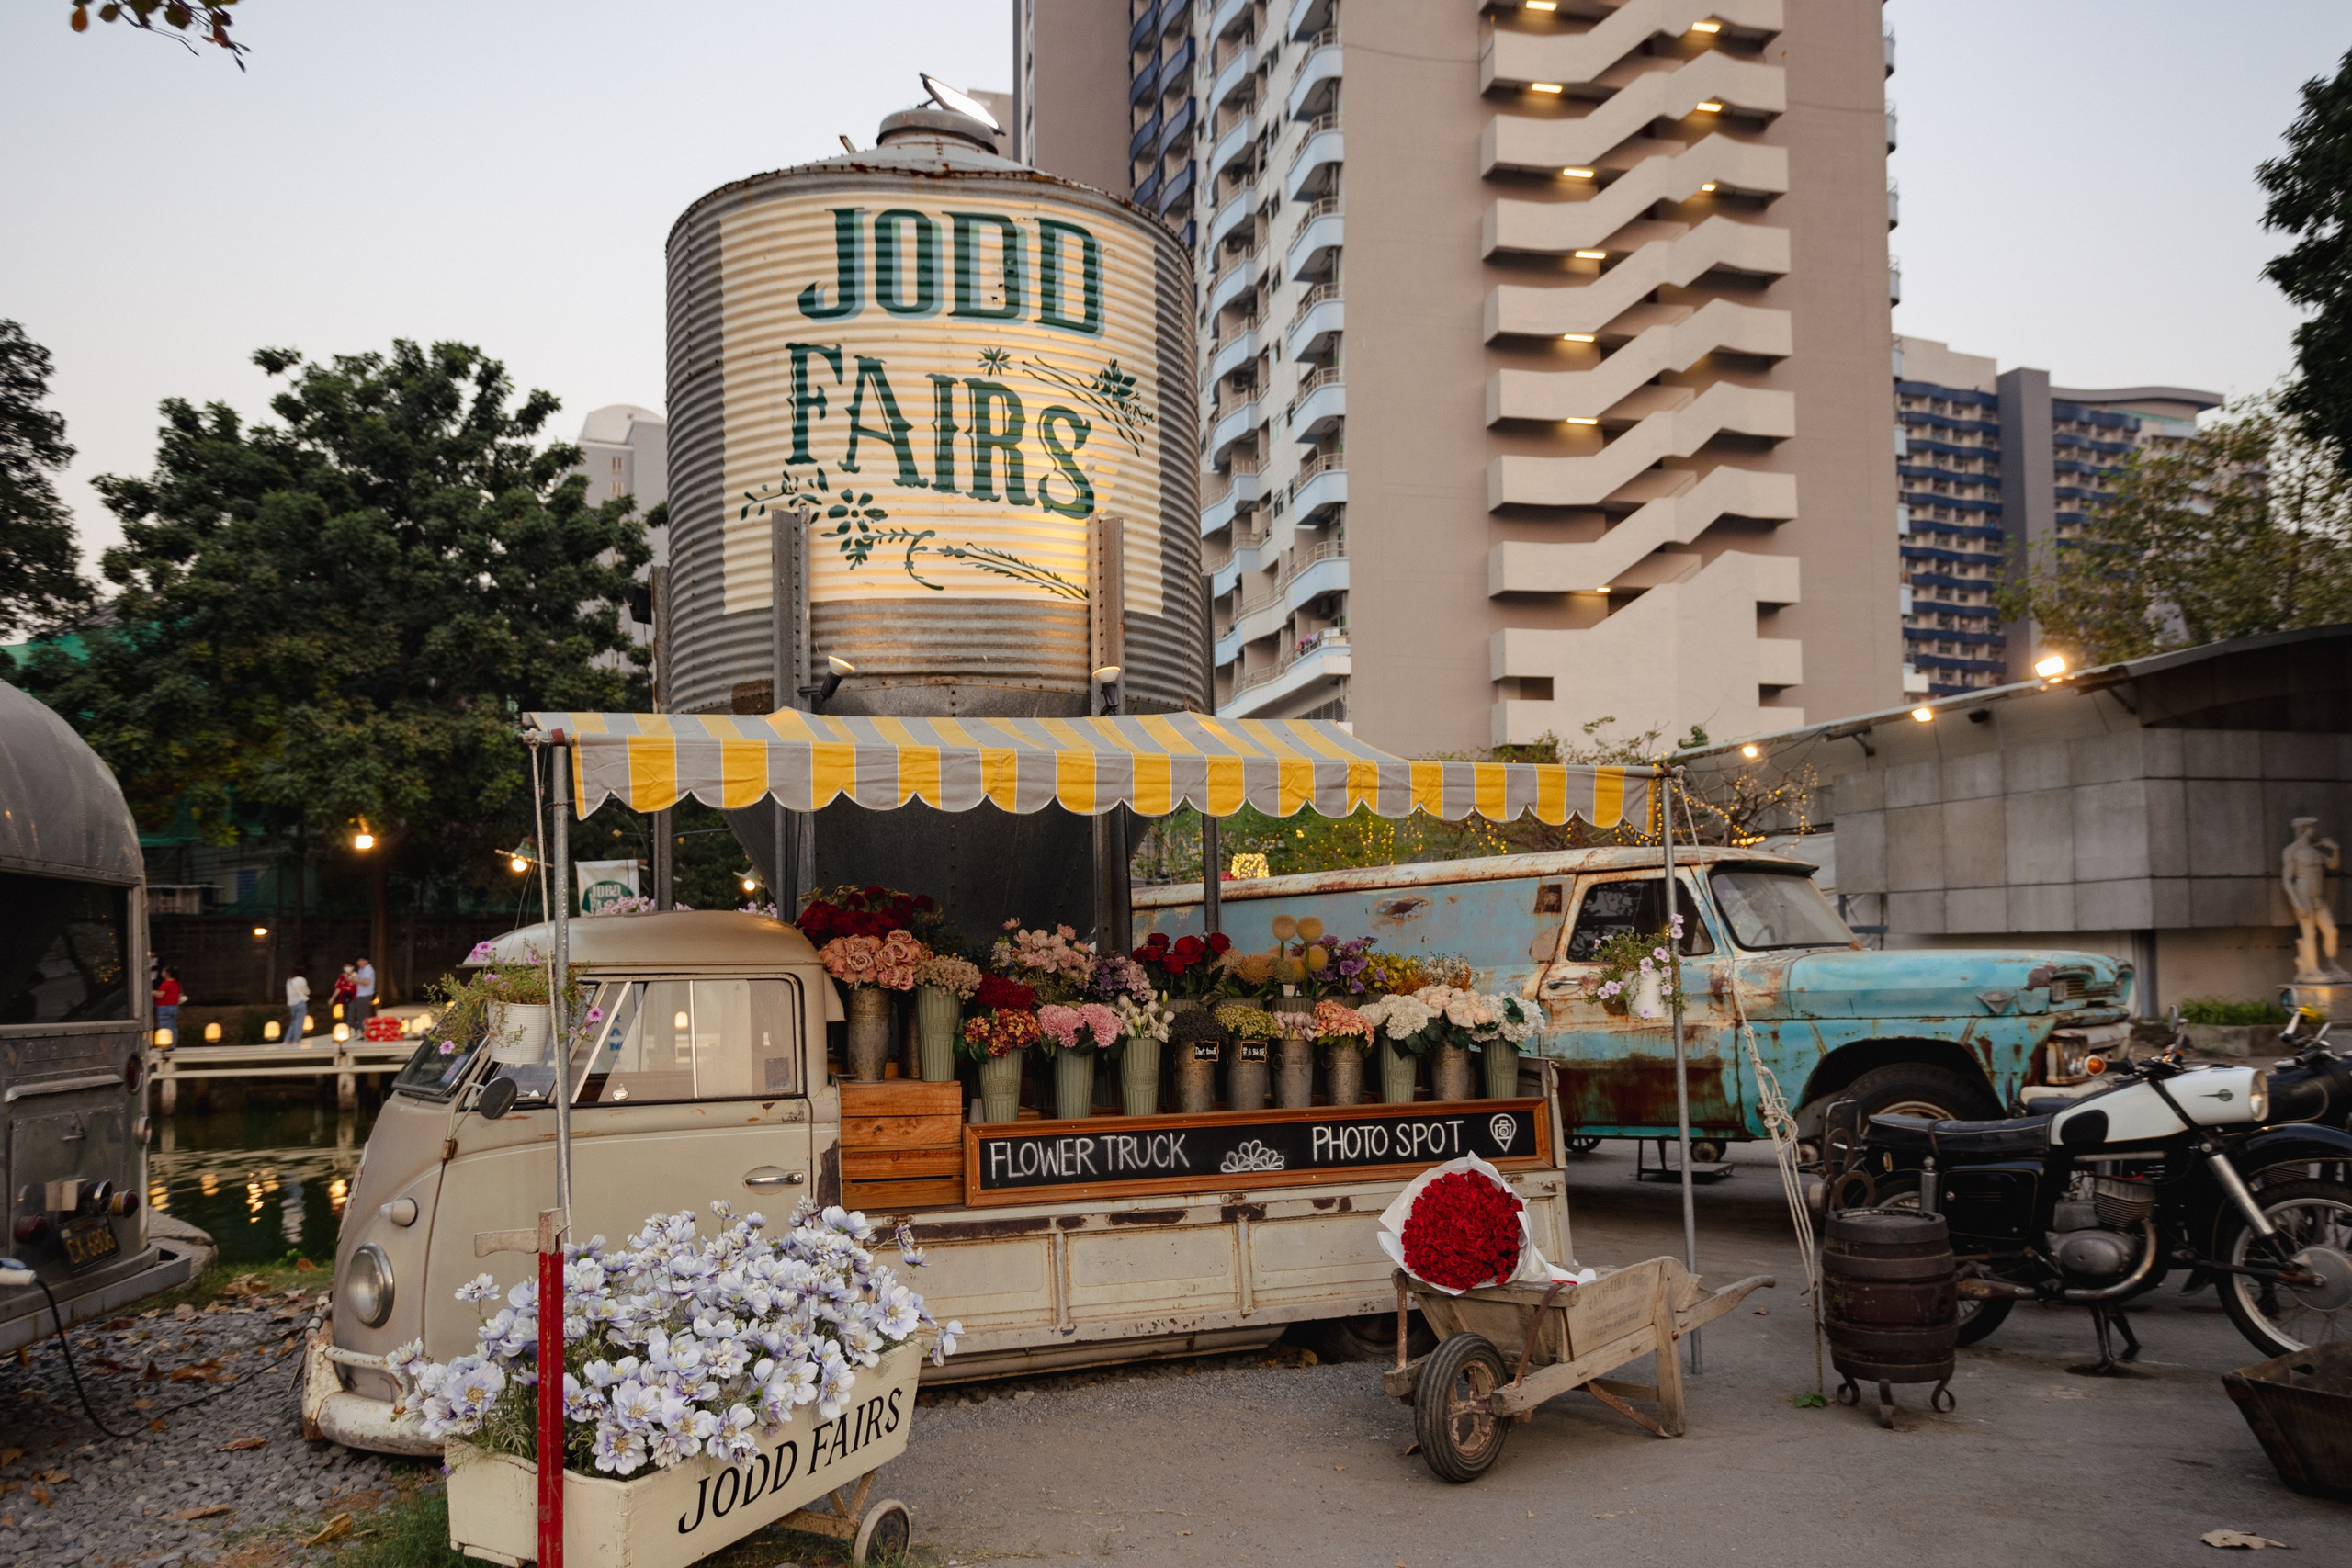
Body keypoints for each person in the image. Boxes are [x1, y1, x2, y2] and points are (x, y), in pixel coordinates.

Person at [153, 966, 182, 1047]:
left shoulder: (165, 984)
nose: (161, 973)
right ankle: (172, 1045)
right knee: (172, 1026)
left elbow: (160, 995)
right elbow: (179, 996)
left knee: (164, 1026)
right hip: (174, 1007)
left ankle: (165, 1045)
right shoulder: (176, 983)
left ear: (167, 974)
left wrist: (153, 992)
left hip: (163, 1007)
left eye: (163, 972)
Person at [352, 955, 378, 1030]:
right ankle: (363, 1031)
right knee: (360, 1015)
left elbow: (366, 982)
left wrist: (355, 981)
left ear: (367, 961)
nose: (361, 962)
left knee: (363, 1015)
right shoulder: (361, 970)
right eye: (359, 961)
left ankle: (365, 1031)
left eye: (363, 960)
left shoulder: (368, 969)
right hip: (361, 995)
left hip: (366, 995)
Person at [286, 968, 310, 1042]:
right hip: (301, 1002)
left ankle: (287, 1039)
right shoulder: (301, 980)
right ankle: (296, 1040)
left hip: (292, 1003)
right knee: (299, 1022)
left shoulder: (289, 980)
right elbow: (307, 991)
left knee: (293, 1022)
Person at [331, 964, 357, 1030]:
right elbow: (338, 987)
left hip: (354, 998)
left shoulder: (356, 976)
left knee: (351, 1014)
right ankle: (347, 1029)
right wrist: (332, 998)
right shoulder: (342, 976)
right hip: (344, 998)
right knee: (345, 1014)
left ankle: (354, 1028)